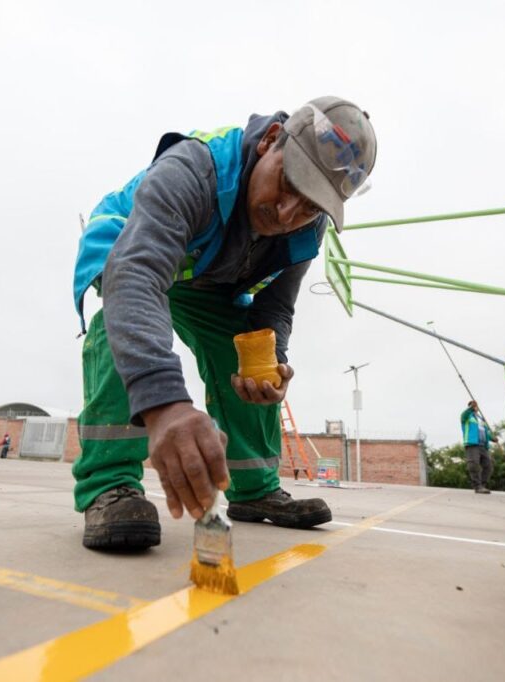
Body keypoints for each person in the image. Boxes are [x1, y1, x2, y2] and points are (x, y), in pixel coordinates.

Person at [72, 96, 377, 550]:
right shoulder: (193, 169)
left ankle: (254, 489)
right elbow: (137, 274)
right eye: (290, 182)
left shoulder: (308, 231)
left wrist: (272, 364)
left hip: (206, 280)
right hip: (133, 246)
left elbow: (274, 310)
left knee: (253, 352)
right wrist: (165, 404)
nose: (288, 214)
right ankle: (109, 485)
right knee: (123, 324)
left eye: (311, 204)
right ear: (270, 142)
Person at [460, 400, 497, 494]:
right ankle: (477, 486)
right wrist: (470, 408)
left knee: (488, 466)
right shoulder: (467, 416)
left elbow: (485, 433)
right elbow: (464, 415)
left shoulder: (481, 419)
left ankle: (482, 485)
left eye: (475, 405)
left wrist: (492, 439)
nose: (474, 407)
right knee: (473, 464)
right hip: (472, 444)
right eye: (472, 405)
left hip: (483, 446)